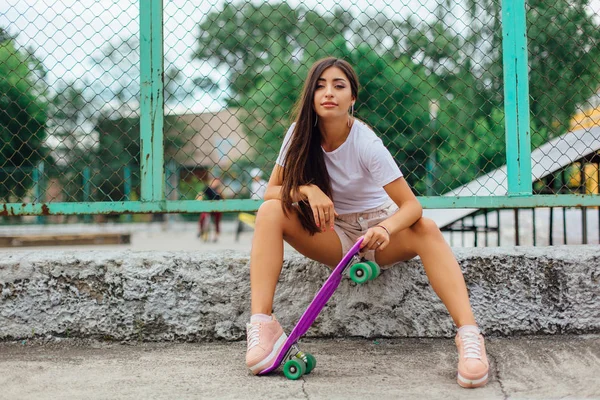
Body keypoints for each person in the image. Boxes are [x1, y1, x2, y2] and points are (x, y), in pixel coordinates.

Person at [244, 57, 489, 388]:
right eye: (320, 85)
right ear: (310, 96)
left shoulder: (365, 142)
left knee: (427, 229)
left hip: (378, 235)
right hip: (334, 235)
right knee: (270, 211)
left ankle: (469, 336)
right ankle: (263, 324)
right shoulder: (298, 135)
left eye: (338, 86)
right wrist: (307, 190)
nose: (328, 92)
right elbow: (271, 191)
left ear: (352, 98)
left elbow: (411, 206)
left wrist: (385, 228)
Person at [197, 176, 223, 242]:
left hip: (217, 207)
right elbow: (201, 193)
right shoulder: (208, 188)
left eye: (217, 181)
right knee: (203, 216)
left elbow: (223, 199)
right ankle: (200, 230)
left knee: (217, 220)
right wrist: (199, 199)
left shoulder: (219, 190)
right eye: (214, 181)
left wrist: (220, 192)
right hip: (208, 206)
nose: (216, 183)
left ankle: (216, 235)